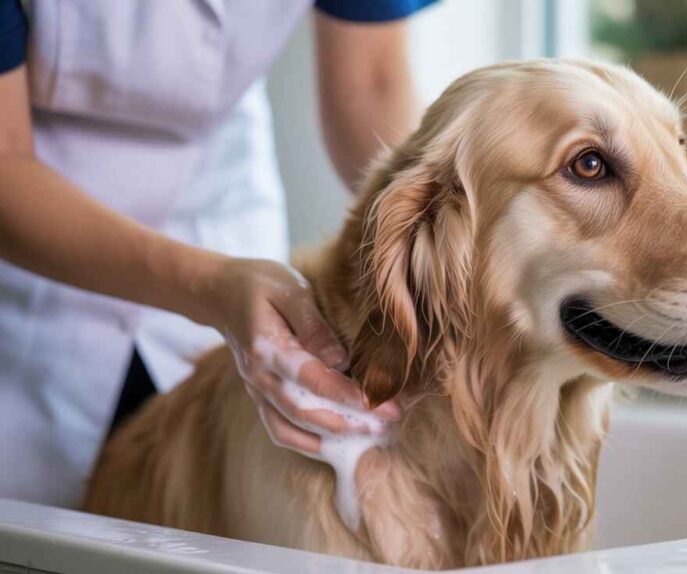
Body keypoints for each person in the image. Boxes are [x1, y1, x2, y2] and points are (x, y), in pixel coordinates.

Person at [0, 0, 435, 507]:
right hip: (30, 267)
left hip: (217, 206)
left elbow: (371, 83)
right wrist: (211, 289)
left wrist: (430, 233)